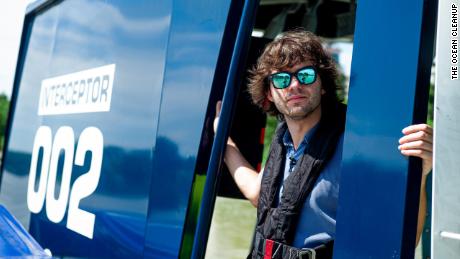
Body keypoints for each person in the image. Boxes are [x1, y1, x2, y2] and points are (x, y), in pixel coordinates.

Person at [214, 30, 433, 259]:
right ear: (269, 92)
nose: (294, 85)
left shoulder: (355, 147)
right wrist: (224, 141)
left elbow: (401, 237)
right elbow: (259, 194)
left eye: (306, 75)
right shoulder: (283, 140)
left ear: (323, 84)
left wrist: (419, 176)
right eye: (281, 79)